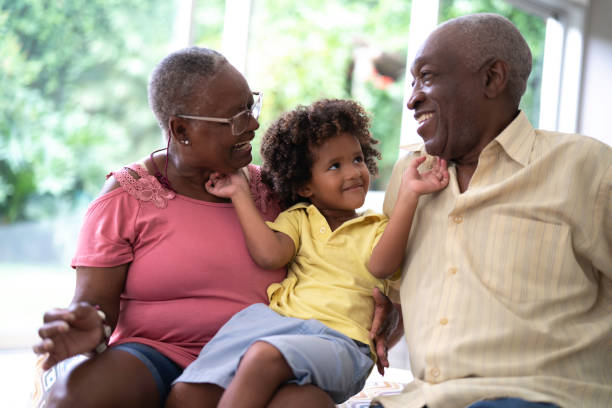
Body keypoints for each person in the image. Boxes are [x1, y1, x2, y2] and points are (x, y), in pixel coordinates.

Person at [31, 47, 397, 408]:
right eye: (237, 117)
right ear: (182, 130)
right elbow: (93, 308)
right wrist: (89, 328)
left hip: (266, 355)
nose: (254, 124)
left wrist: (385, 307)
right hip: (155, 355)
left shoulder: (277, 190)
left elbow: (346, 250)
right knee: (75, 397)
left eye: (251, 106)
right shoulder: (126, 197)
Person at [371, 13, 612, 408]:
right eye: (412, 82)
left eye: (427, 77)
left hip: (538, 399)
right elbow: (397, 293)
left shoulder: (588, 168)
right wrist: (385, 314)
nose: (412, 98)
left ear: (492, 79)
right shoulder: (409, 176)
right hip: (419, 400)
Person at [166, 98, 449, 408]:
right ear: (304, 186)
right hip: (277, 327)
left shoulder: (375, 227)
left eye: (357, 159)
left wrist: (409, 195)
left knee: (263, 356)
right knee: (190, 393)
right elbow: (270, 255)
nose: (354, 172)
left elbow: (382, 266)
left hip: (340, 342)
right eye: (335, 166)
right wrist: (239, 194)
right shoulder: (299, 218)